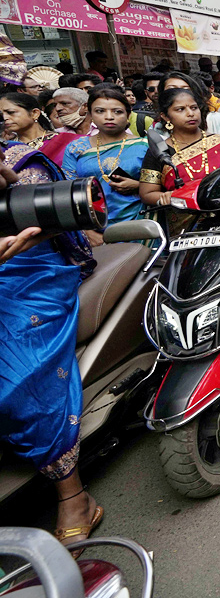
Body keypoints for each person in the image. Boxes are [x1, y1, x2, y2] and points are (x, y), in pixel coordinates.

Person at [0, 139, 100, 545]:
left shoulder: (26, 163)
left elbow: (34, 214)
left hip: (26, 269)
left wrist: (10, 180)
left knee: (15, 380)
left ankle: (74, 496)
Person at [138, 88, 220, 236]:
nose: (190, 113)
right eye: (180, 109)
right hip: (185, 230)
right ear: (165, 117)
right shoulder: (159, 152)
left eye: (194, 108)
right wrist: (167, 197)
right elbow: (147, 193)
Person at [62, 87, 148, 239]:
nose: (109, 117)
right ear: (90, 115)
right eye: (100, 111)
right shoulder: (76, 148)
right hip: (94, 228)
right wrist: (87, 232)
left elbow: (168, 185)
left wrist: (138, 186)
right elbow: (67, 193)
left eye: (117, 112)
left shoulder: (145, 146)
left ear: (128, 115)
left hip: (141, 224)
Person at [0, 92, 79, 165]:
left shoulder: (67, 141)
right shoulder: (6, 148)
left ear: (35, 113)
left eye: (11, 112)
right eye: (1, 115)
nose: (5, 117)